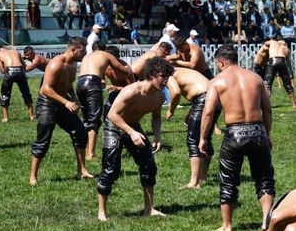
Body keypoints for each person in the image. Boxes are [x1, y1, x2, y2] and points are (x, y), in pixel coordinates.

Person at [199, 44, 274, 231]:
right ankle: (266, 220)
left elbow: (208, 113)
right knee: (264, 178)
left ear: (221, 62)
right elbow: (267, 110)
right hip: (258, 131)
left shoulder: (217, 81)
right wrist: (267, 134)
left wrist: (203, 138)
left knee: (228, 179)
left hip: (235, 133)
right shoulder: (256, 78)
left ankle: (227, 225)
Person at [97, 57, 174, 221]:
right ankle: (102, 212)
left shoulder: (159, 97)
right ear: (152, 74)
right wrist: (131, 132)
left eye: (167, 77)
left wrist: (158, 136)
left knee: (149, 166)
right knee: (111, 168)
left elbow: (156, 117)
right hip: (115, 126)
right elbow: (112, 115)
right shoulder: (131, 90)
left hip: (133, 127)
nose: (165, 81)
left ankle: (149, 208)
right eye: (162, 76)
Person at [29, 37, 93, 186]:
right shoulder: (56, 63)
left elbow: (68, 84)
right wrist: (66, 102)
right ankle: (33, 177)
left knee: (80, 133)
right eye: (82, 51)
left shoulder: (73, 64)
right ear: (73, 50)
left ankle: (82, 171)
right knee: (43, 141)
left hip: (63, 103)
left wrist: (75, 99)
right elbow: (45, 89)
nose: (84, 54)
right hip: (47, 104)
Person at [76, 44, 132, 160]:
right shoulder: (105, 55)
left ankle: (86, 150)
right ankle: (90, 154)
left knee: (86, 119)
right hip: (92, 83)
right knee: (94, 120)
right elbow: (123, 69)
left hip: (80, 83)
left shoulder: (88, 56)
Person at [166, 67, 218, 188]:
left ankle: (194, 182)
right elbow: (198, 89)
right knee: (206, 138)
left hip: (203, 99)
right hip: (214, 99)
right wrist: (191, 113)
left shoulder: (169, 74)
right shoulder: (182, 71)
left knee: (193, 140)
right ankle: (203, 177)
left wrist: (171, 110)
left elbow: (176, 92)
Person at [0, 46, 35, 122]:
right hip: (20, 70)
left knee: (5, 94)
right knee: (26, 93)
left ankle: (6, 118)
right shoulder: (15, 52)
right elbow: (24, 66)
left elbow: (2, 71)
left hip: (9, 71)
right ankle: (32, 116)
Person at [264, 36, 296, 108]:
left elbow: (266, 43)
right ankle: (294, 104)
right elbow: (288, 60)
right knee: (288, 85)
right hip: (282, 61)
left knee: (268, 84)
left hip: (273, 60)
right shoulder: (285, 47)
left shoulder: (272, 42)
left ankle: (267, 105)